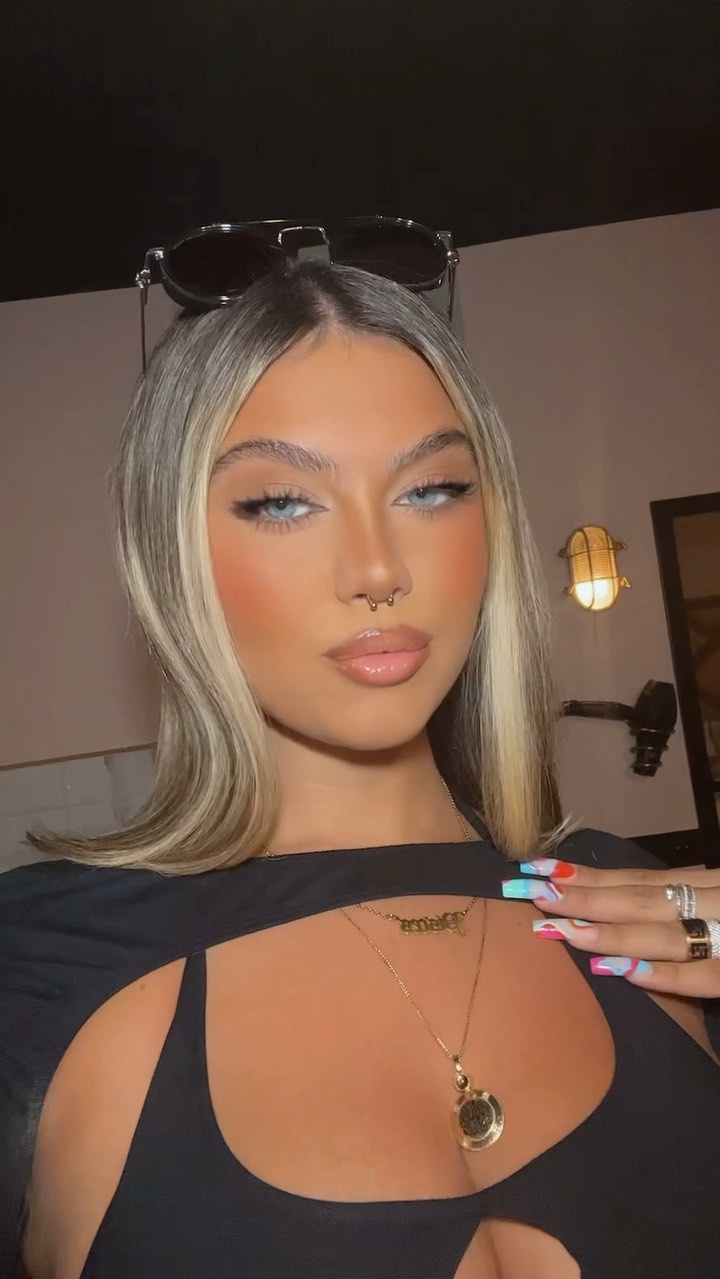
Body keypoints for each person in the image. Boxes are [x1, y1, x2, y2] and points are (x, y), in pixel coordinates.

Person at [1, 220, 719, 1279]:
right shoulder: (41, 961)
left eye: (432, 489)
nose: (378, 568)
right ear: (172, 551)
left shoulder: (635, 906)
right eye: (281, 502)